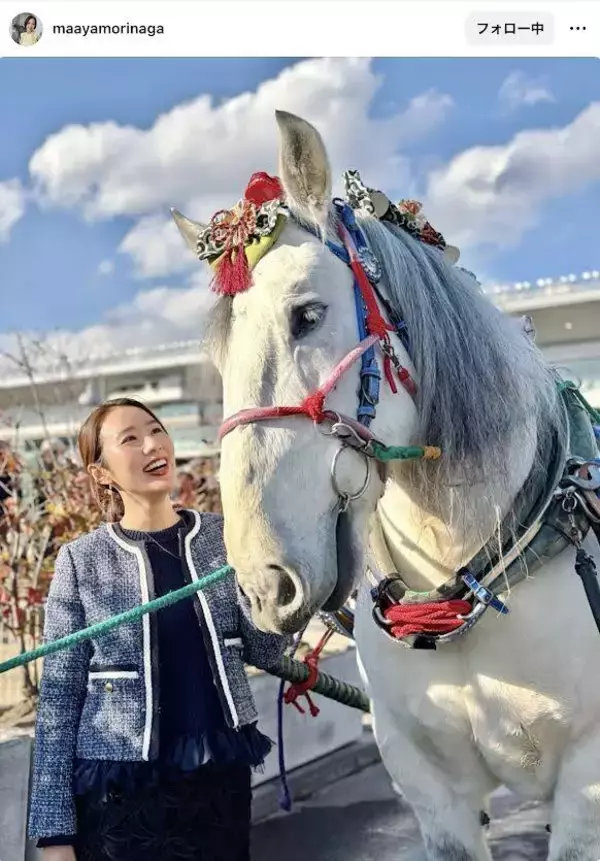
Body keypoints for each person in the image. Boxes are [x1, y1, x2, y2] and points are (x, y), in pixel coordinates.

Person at [28, 397, 289, 861]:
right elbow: (59, 700)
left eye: (156, 430)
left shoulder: (225, 538)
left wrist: (279, 586)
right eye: (130, 438)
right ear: (101, 473)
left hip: (218, 787)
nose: (153, 444)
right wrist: (54, 835)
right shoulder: (81, 560)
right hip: (120, 798)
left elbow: (266, 651)